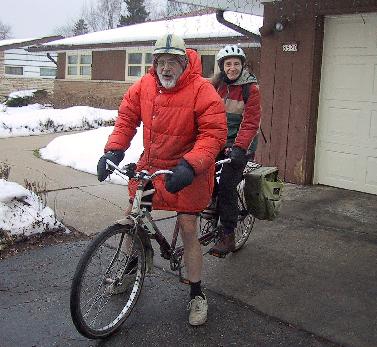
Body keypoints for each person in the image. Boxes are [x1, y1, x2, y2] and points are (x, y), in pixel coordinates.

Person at [96, 33, 227, 326]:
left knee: (188, 226)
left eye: (173, 62)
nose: (166, 68)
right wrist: (114, 151)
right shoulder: (144, 86)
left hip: (188, 170)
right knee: (132, 217)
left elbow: (213, 134)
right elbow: (127, 119)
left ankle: (196, 294)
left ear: (184, 63)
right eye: (161, 62)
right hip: (153, 167)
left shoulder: (202, 90)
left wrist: (191, 165)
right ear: (154, 64)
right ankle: (133, 267)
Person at [208, 45, 261, 257]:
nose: (232, 68)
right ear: (222, 66)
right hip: (220, 140)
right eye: (228, 64)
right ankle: (212, 206)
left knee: (227, 186)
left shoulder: (251, 89)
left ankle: (228, 235)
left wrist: (239, 148)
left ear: (242, 65)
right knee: (201, 170)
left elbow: (250, 123)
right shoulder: (215, 86)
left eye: (236, 64)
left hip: (242, 144)